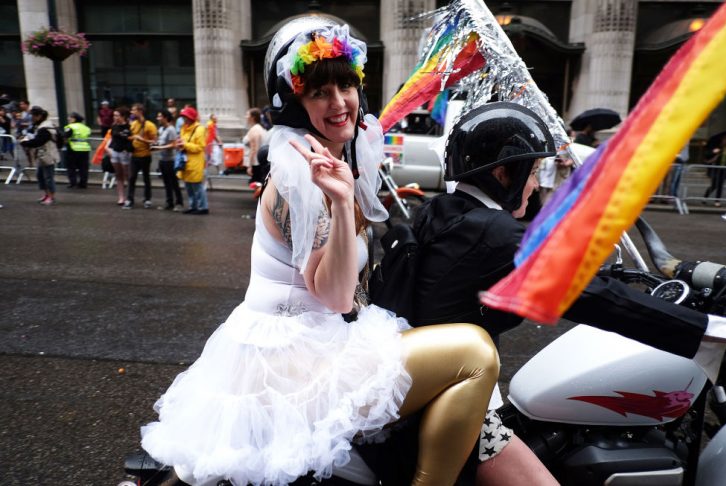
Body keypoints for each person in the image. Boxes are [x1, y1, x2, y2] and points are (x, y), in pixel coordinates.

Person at [140, 17, 500, 486]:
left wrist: (376, 200)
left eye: (346, 85)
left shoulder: (321, 159)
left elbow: (347, 245)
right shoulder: (301, 179)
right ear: (294, 103)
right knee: (476, 354)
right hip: (296, 362)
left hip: (311, 343)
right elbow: (335, 296)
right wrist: (337, 198)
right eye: (319, 93)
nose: (339, 103)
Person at [365, 102, 726, 486]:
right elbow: (594, 298)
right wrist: (709, 330)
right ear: (504, 172)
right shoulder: (496, 234)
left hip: (414, 390)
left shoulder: (441, 210)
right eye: (534, 171)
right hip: (442, 410)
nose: (537, 183)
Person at [20, 106, 60, 205]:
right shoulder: (42, 125)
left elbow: (39, 141)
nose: (32, 118)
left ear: (39, 116)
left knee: (48, 177)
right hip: (43, 155)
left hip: (48, 155)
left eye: (33, 116)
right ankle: (47, 195)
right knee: (41, 176)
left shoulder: (44, 128)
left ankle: (51, 197)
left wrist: (25, 142)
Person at [175, 106, 209, 215]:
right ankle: (193, 206)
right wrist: (180, 145)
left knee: (197, 186)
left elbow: (200, 147)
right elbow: (183, 143)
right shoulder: (183, 128)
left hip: (195, 162)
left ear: (190, 117)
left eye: (185, 116)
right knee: (188, 186)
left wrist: (184, 145)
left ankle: (202, 207)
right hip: (186, 162)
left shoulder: (200, 129)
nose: (184, 119)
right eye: (183, 116)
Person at [125, 103, 158, 209]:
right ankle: (130, 199)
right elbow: (129, 137)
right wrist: (130, 137)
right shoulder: (133, 124)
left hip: (145, 155)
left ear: (140, 111)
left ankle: (147, 199)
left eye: (134, 110)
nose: (132, 112)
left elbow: (155, 142)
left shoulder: (150, 125)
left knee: (146, 178)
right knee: (131, 178)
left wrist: (142, 139)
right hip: (134, 155)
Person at [152, 110, 184, 211]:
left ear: (165, 117)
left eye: (160, 116)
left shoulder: (171, 129)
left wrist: (160, 148)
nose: (158, 119)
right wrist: (154, 144)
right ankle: (169, 202)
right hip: (162, 160)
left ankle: (179, 203)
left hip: (171, 160)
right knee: (166, 183)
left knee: (174, 182)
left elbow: (173, 145)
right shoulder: (161, 129)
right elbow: (160, 142)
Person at [106, 106, 133, 206]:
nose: (115, 117)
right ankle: (121, 197)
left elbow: (130, 139)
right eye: (114, 115)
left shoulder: (129, 126)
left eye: (117, 115)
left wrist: (128, 149)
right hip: (115, 151)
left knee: (127, 174)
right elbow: (113, 138)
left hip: (124, 152)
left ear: (123, 116)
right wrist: (109, 148)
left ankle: (130, 196)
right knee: (118, 174)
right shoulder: (114, 126)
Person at [63, 112, 91, 188]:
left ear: (74, 119)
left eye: (70, 117)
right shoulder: (85, 127)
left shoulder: (70, 127)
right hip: (85, 149)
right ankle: (83, 183)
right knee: (83, 167)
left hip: (73, 149)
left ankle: (73, 183)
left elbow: (65, 136)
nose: (68, 119)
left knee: (71, 167)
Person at [243, 107, 269, 184]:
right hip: (260, 162)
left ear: (252, 117)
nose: (245, 117)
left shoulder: (254, 130)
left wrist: (250, 166)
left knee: (257, 187)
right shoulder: (259, 128)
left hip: (256, 163)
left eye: (247, 115)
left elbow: (254, 149)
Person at [703, 133, 726, 207]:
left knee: (720, 186)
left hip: (724, 170)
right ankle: (705, 197)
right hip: (717, 169)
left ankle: (717, 201)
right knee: (714, 185)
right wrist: (714, 152)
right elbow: (710, 156)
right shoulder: (719, 148)